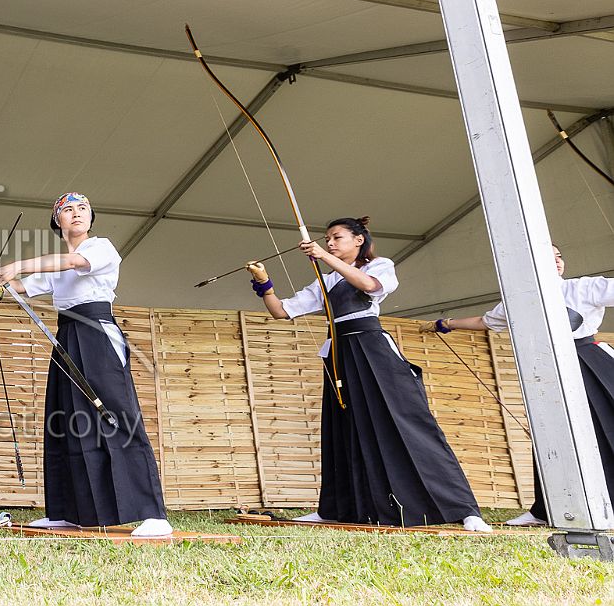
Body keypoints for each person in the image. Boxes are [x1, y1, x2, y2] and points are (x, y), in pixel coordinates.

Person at [248, 216, 490, 530]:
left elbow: (369, 286)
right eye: (327, 240)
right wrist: (264, 283)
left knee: (409, 422)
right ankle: (336, 509)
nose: (330, 243)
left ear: (358, 240)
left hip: (372, 346)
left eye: (337, 237)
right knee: (343, 429)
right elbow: (281, 311)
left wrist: (324, 257)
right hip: (340, 354)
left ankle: (464, 509)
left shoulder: (379, 266)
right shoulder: (326, 280)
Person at [0, 192, 171, 536]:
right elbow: (22, 287)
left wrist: (18, 265)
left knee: (117, 414)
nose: (76, 213)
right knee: (66, 419)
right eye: (68, 209)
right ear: (57, 221)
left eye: (83, 208)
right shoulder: (57, 263)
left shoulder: (100, 248)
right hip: (67, 335)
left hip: (96, 332)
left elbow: (71, 263)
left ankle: (153, 513)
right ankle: (68, 511)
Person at [423, 244, 614, 526]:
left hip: (588, 360)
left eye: (559, 256)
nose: (557, 261)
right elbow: (485, 321)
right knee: (550, 433)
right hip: (549, 366)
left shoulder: (582, 287)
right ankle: (545, 510)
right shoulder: (519, 300)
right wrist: (447, 323)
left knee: (604, 424)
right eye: (547, 257)